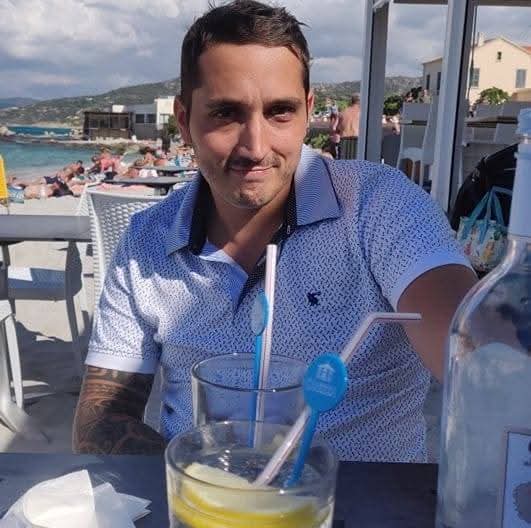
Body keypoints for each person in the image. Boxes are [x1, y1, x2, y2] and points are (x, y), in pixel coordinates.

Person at [73, 0, 477, 460]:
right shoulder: (147, 239)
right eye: (226, 114)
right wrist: (203, 483)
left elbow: (474, 354)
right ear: (184, 121)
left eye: (280, 112)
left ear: (308, 111)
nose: (256, 146)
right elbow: (101, 420)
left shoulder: (378, 206)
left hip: (361, 495)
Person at [337, 93, 360, 159]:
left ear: (351, 101)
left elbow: (337, 128)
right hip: (357, 140)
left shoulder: (343, 112)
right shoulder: (363, 113)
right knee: (357, 163)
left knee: (344, 163)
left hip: (344, 141)